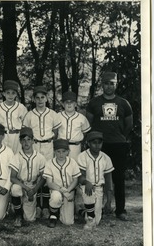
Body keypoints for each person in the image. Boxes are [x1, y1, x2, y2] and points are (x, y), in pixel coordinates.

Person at [86, 72, 133, 221]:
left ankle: (120, 210)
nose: (109, 86)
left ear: (116, 84)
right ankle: (94, 207)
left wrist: (120, 137)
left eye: (112, 83)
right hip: (99, 145)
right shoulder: (94, 103)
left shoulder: (123, 103)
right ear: (102, 84)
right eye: (106, 83)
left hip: (118, 144)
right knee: (97, 176)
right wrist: (96, 141)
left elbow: (129, 125)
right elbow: (90, 124)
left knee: (118, 177)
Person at [22, 85, 61, 219]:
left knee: (47, 174)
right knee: (37, 174)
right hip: (36, 145)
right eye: (37, 98)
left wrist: (49, 142)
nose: (40, 100)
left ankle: (46, 207)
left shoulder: (53, 114)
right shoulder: (29, 115)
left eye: (42, 97)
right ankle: (38, 205)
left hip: (48, 145)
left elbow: (56, 133)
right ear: (33, 99)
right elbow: (26, 133)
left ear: (47, 98)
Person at [9, 127, 46, 227]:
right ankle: (18, 215)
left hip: (33, 186)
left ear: (33, 141)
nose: (26, 143)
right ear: (20, 141)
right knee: (15, 189)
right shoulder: (16, 156)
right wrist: (26, 188)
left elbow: (43, 177)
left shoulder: (40, 157)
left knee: (30, 219)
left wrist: (34, 190)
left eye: (29, 139)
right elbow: (12, 177)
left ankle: (19, 206)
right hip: (21, 185)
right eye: (23, 140)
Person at [77, 131, 114, 230]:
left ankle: (83, 212)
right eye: (94, 142)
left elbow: (108, 181)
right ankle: (89, 216)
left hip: (99, 188)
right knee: (91, 219)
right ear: (88, 143)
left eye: (99, 142)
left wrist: (109, 200)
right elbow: (80, 176)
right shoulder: (82, 156)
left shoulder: (106, 158)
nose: (97, 145)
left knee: (96, 221)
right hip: (86, 186)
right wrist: (86, 182)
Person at [43, 139, 81, 228]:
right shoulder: (49, 163)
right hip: (56, 190)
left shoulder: (72, 162)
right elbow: (49, 183)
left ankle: (61, 210)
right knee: (56, 197)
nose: (61, 154)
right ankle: (53, 215)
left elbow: (75, 180)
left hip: (69, 190)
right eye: (58, 151)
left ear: (68, 151)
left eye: (64, 151)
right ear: (54, 151)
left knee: (68, 222)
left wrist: (68, 191)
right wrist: (63, 191)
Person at [0, 80, 28, 154]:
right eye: (8, 93)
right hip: (3, 137)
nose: (10, 96)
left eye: (13, 93)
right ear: (4, 94)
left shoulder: (21, 107)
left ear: (16, 94)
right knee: (4, 157)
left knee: (17, 158)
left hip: (17, 136)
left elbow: (25, 124)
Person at [57, 90, 91, 161]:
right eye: (66, 102)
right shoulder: (57, 116)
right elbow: (55, 131)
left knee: (74, 167)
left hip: (75, 147)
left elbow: (85, 133)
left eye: (71, 102)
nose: (69, 104)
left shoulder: (81, 118)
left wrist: (81, 142)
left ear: (75, 104)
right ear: (63, 104)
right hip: (61, 147)